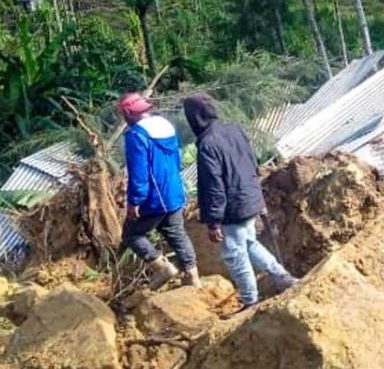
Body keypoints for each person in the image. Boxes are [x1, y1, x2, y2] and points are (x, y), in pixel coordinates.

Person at [182, 93, 297, 316]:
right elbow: (252, 162)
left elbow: (213, 185)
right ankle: (282, 277)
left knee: (234, 254)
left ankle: (250, 300)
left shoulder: (207, 144)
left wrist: (214, 221)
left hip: (233, 207)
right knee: (250, 242)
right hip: (250, 197)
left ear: (194, 118)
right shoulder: (234, 130)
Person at [118, 92, 200, 289]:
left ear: (128, 113)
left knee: (132, 235)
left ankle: (162, 268)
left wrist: (135, 201)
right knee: (176, 232)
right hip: (174, 191)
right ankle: (193, 277)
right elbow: (177, 160)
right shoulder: (166, 126)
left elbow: (139, 171)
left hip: (154, 197)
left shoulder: (136, 134)